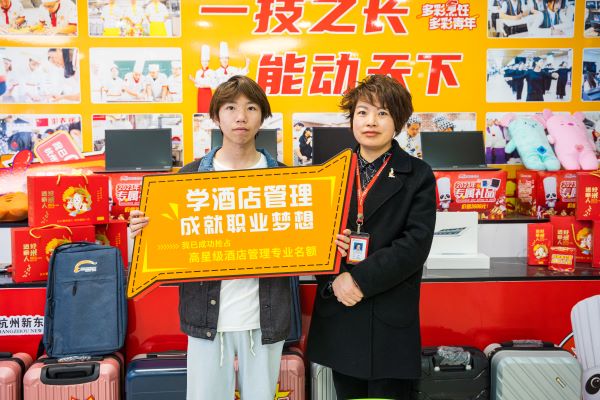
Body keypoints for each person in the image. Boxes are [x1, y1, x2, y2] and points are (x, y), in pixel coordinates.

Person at [129, 75, 291, 400]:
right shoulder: (187, 178)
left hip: (265, 317)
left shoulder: (287, 179)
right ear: (216, 116)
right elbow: (156, 253)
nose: (241, 117)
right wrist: (140, 235)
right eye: (230, 108)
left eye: (251, 108)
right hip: (206, 316)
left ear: (263, 116)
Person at [307, 74, 437, 399]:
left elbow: (414, 245)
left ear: (398, 121)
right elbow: (311, 235)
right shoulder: (329, 171)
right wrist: (334, 276)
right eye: (362, 112)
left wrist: (358, 279)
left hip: (389, 314)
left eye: (383, 113)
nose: (371, 122)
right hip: (341, 311)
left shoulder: (418, 174)